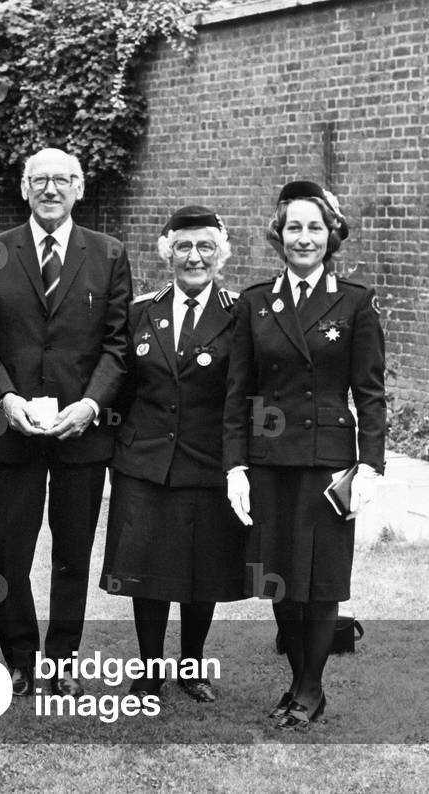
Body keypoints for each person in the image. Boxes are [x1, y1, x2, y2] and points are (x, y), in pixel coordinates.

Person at [224, 180, 385, 730]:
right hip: (269, 459)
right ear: (279, 234)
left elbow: (370, 392)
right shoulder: (254, 302)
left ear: (331, 234)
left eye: (314, 227)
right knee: (279, 579)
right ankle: (296, 680)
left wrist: (370, 465)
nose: (304, 237)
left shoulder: (355, 301)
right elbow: (236, 392)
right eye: (294, 226)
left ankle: (310, 690)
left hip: (326, 461)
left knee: (319, 581)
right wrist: (235, 465)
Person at [0, 147, 132, 697]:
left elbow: (118, 346)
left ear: (79, 188)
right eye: (39, 180)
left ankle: (62, 659)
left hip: (81, 434)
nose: (50, 189)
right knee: (10, 554)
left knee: (72, 554)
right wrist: (7, 400)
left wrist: (90, 406)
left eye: (62, 180)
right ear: (24, 188)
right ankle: (20, 657)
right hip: (11, 434)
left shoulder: (109, 254)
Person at [99, 206, 245, 701]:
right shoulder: (142, 311)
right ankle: (149, 667)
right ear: (168, 252)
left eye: (206, 247)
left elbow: (243, 394)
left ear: (220, 255)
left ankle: (192, 665)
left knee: (201, 572)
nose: (194, 257)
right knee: (147, 571)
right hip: (144, 464)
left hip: (207, 464)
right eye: (183, 246)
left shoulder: (239, 314)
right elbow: (120, 386)